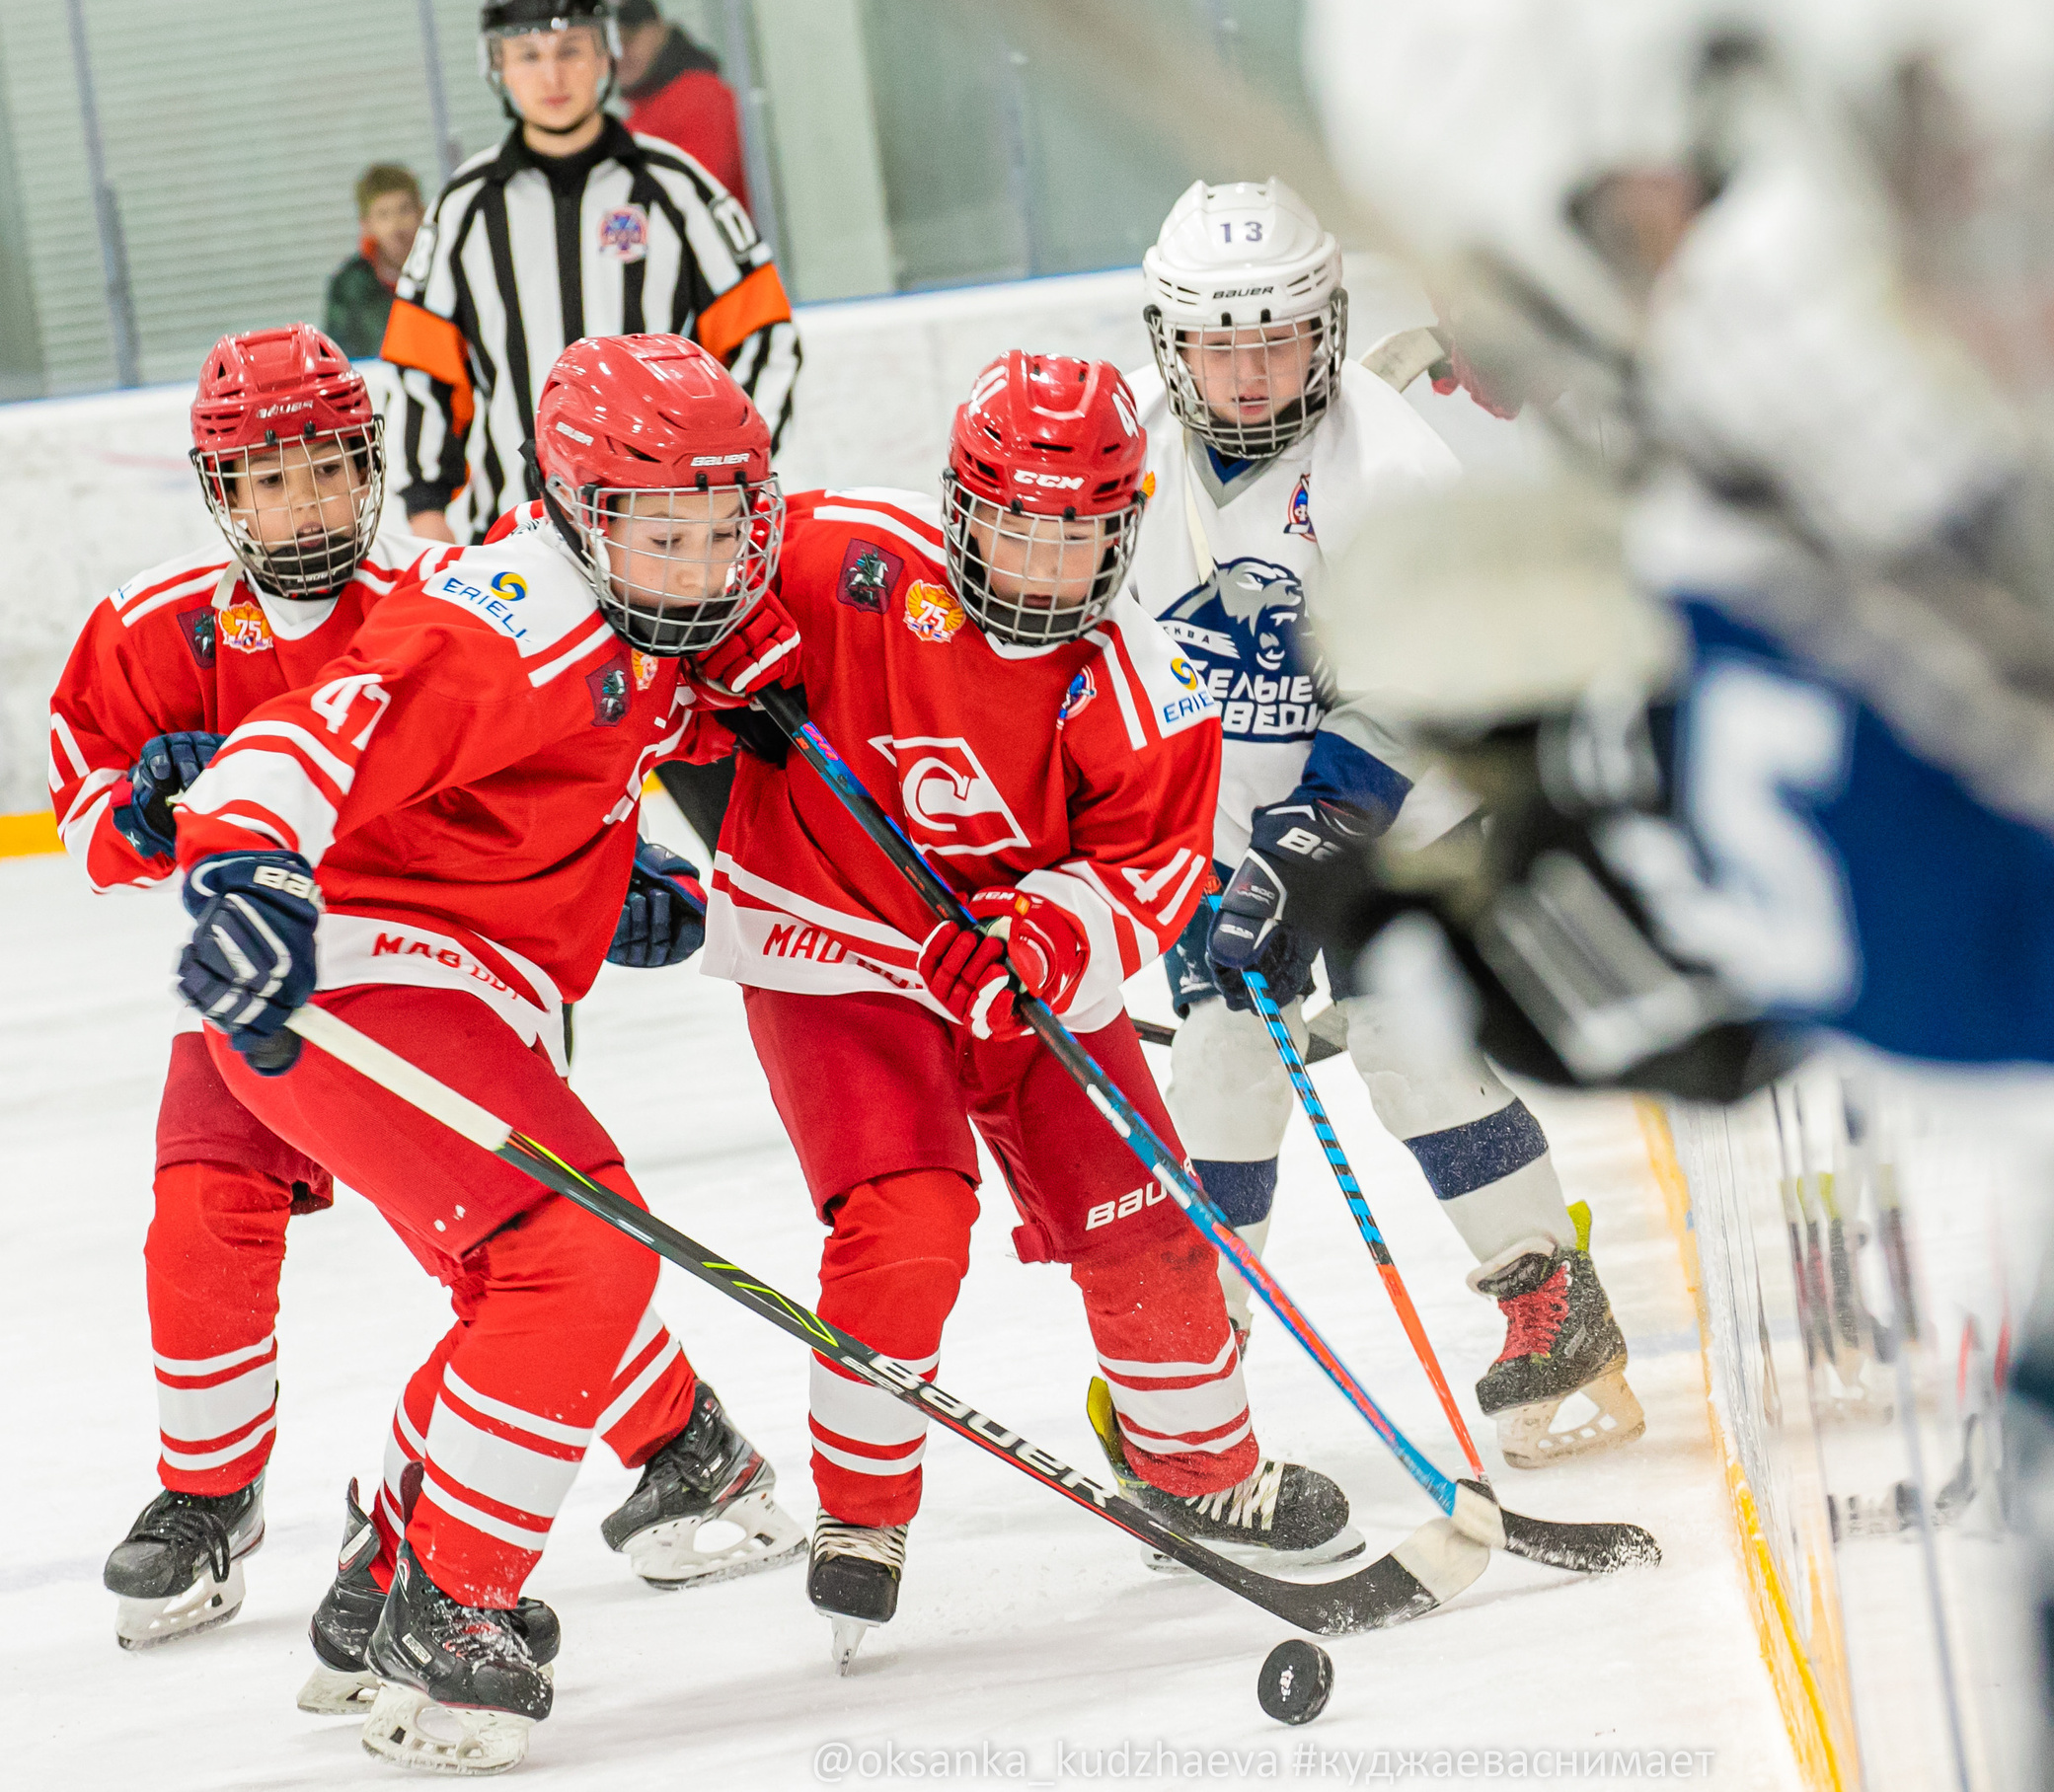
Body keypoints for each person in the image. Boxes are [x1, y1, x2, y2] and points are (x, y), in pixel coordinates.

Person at [47, 325, 792, 1679]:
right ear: (222, 492)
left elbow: (565, 771)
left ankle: (657, 1447)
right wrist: (149, 818)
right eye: (272, 480)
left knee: (517, 1250)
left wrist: (617, 882)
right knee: (214, 1205)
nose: (307, 504)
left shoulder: (461, 589)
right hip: (271, 966)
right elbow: (89, 803)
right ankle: (211, 1495)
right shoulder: (160, 624)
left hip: (433, 972)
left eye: (331, 468)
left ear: (372, 465)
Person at [701, 349, 1358, 1672]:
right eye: (1018, 526)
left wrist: (1050, 934)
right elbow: (671, 572)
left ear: (1124, 530)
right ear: (960, 505)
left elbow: (1153, 871)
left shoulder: (1149, 678)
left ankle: (1197, 1470)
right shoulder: (838, 558)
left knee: (1147, 1219)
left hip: (1026, 975)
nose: (1048, 566)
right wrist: (717, 660)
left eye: (1082, 535)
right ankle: (863, 1511)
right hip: (833, 947)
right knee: (906, 1220)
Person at [1124, 178, 1645, 1468]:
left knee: (1413, 1043)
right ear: (1170, 342)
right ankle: (1187, 1366)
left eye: (1278, 340)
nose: (1250, 373)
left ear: (1327, 326)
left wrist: (1311, 842)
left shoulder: (1392, 461)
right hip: (1215, 825)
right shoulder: (1125, 453)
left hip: (1400, 815)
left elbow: (1424, 685)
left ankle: (1551, 1300)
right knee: (1222, 1072)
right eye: (1220, 346)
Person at [381, 0, 799, 547]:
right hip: (511, 534)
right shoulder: (464, 208)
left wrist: (729, 471)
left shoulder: (675, 187)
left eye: (571, 50)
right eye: (528, 55)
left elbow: (764, 334)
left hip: (664, 534)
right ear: (498, 66)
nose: (552, 76)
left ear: (605, 55)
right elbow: (420, 368)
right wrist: (425, 508)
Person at [608, 0, 747, 214]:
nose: (620, 54)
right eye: (610, 45)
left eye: (628, 39)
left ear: (659, 31)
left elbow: (695, 195)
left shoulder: (701, 97)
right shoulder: (641, 110)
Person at [322, 164, 422, 359]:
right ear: (366, 225)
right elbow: (336, 358)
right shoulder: (349, 286)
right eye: (383, 215)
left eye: (404, 210)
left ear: (421, 213)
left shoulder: (443, 269)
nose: (396, 227)